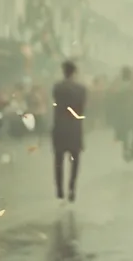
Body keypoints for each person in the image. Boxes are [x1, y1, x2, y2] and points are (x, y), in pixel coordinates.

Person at [51, 60, 87, 202]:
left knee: (58, 159)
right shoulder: (81, 89)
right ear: (74, 72)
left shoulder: (57, 88)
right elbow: (82, 107)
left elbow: (56, 103)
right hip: (74, 126)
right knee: (75, 159)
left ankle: (59, 189)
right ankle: (72, 188)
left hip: (59, 125)